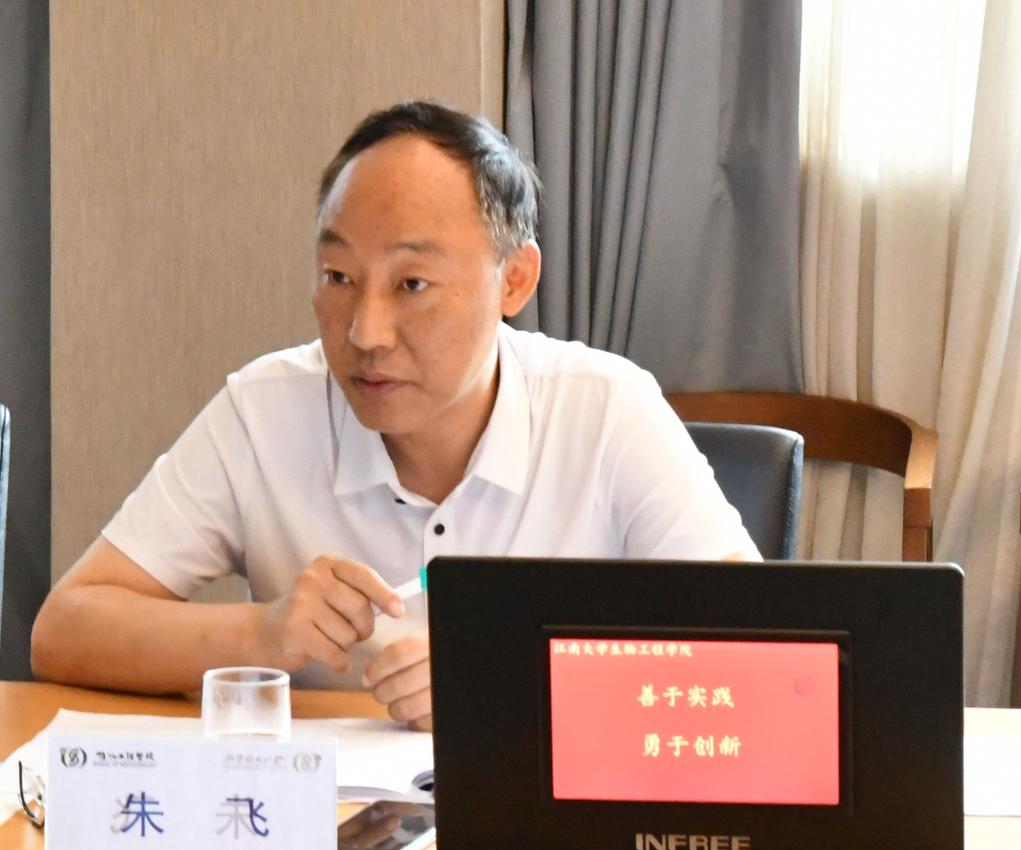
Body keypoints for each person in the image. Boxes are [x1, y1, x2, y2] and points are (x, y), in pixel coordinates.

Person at [31, 101, 759, 731]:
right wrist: (262, 633)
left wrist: (512, 682)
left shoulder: (604, 409)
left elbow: (759, 654)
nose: (365, 332)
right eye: (339, 277)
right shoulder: (266, 412)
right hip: (332, 832)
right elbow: (65, 629)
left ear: (514, 280)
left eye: (412, 283)